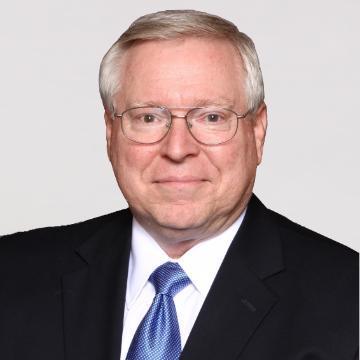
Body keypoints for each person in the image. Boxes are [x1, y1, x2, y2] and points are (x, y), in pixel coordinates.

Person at [0, 9, 358, 360]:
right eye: (149, 117)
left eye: (212, 117)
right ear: (111, 133)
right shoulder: (11, 275)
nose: (178, 148)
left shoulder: (348, 302)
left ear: (258, 131)